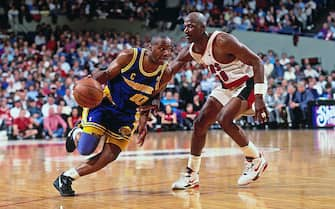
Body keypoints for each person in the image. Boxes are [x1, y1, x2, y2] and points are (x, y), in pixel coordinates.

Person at [53, 36, 173, 196]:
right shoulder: (130, 56)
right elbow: (107, 74)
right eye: (162, 48)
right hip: (106, 104)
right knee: (85, 149)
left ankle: (66, 178)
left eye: (169, 49)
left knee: (110, 155)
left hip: (128, 114)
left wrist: (144, 122)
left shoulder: (165, 73)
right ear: (149, 47)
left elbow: (152, 97)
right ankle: (77, 131)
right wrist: (90, 81)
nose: (166, 53)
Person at [169, 12, 269, 189]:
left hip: (250, 81)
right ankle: (191, 174)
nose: (186, 29)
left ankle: (255, 158)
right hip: (228, 86)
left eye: (191, 26)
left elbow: (257, 62)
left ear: (202, 28)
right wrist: (151, 85)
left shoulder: (222, 41)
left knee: (225, 119)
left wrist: (259, 98)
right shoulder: (192, 50)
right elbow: (172, 68)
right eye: (184, 26)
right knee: (200, 123)